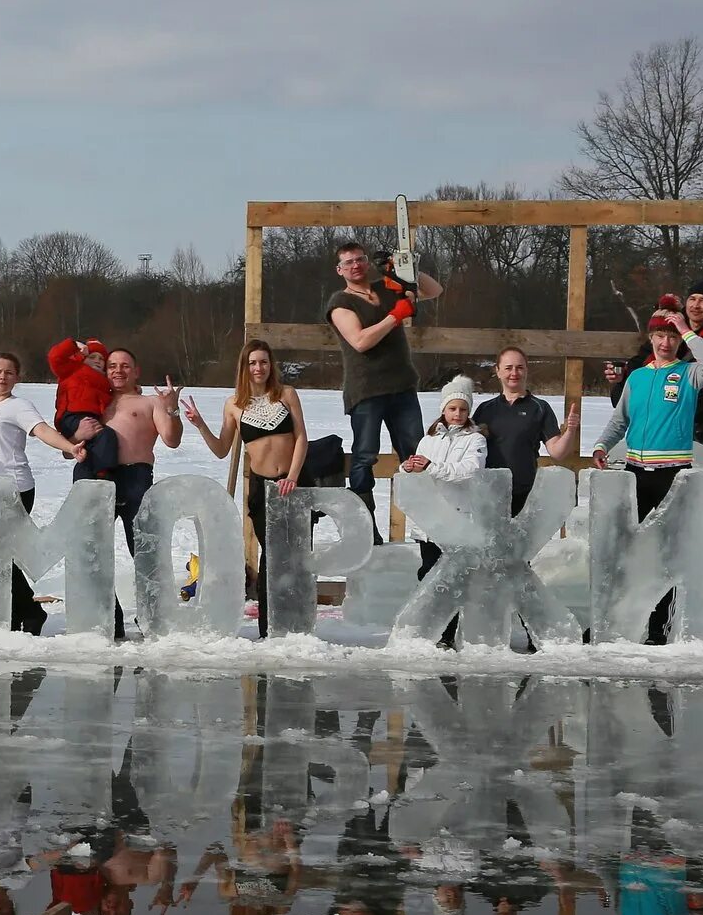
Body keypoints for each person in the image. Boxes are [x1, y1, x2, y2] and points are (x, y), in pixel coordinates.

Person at [592, 302, 703, 644]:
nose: (666, 343)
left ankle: (658, 628)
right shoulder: (637, 377)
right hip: (635, 472)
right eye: (660, 336)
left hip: (673, 474)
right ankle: (615, 621)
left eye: (672, 337)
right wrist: (602, 446)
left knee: (665, 553)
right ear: (650, 338)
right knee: (626, 549)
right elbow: (620, 420)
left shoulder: (689, 374)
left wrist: (687, 330)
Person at [0, 352, 87, 635]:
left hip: (15, 488)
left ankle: (29, 612)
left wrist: (69, 447)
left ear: (17, 378)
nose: (2, 377)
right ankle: (19, 612)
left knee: (1, 555)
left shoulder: (19, 406)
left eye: (9, 372)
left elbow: (42, 430)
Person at [183, 340, 307, 637]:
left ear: (271, 365)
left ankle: (297, 622)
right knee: (271, 555)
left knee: (296, 554)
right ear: (244, 367)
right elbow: (221, 449)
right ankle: (269, 627)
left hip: (292, 484)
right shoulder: (234, 404)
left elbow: (302, 437)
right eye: (252, 363)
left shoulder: (287, 394)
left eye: (263, 362)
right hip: (263, 488)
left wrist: (292, 476)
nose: (258, 368)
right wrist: (200, 425)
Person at [326, 241, 444, 524]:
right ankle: (365, 526)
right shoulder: (340, 303)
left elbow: (434, 290)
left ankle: (429, 526)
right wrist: (395, 316)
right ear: (340, 270)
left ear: (367, 262)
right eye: (349, 262)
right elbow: (360, 341)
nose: (356, 265)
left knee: (416, 453)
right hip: (366, 390)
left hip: (402, 386)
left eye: (360, 259)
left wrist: (406, 266)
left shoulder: (387, 288)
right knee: (364, 456)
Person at [102, 350, 184, 639]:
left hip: (136, 477)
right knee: (95, 551)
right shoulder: (96, 400)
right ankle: (109, 618)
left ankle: (152, 618)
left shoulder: (150, 402)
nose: (118, 370)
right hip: (100, 477)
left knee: (144, 551)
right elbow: (69, 445)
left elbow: (172, 440)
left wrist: (171, 409)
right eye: (112, 366)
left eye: (125, 366)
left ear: (136, 371)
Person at [602, 283, 703, 441]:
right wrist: (623, 374)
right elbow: (643, 358)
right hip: (667, 389)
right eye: (692, 299)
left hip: (701, 395)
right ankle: (649, 424)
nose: (696, 305)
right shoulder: (669, 324)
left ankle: (692, 428)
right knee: (623, 389)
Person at [402, 376, 489, 591]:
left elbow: (470, 471)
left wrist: (431, 466)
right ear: (443, 410)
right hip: (430, 520)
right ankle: (430, 610)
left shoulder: (475, 439)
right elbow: (417, 476)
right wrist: (407, 468)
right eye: (452, 408)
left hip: (458, 517)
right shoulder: (428, 440)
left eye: (463, 409)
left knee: (455, 573)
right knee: (428, 571)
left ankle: (454, 613)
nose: (457, 414)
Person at [475, 347, 579, 516]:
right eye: (508, 368)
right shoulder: (485, 409)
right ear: (498, 371)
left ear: (526, 370)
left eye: (519, 367)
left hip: (525, 494)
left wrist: (571, 430)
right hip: (488, 493)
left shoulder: (540, 408)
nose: (514, 373)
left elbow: (558, 453)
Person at [48, 336, 117, 480]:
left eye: (101, 358)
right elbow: (55, 357)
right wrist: (73, 345)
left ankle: (93, 476)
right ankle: (102, 473)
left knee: (96, 445)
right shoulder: (73, 369)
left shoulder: (105, 382)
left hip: (93, 418)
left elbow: (114, 396)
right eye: (92, 357)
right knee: (104, 435)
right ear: (82, 358)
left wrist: (133, 389)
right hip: (72, 416)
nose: (97, 360)